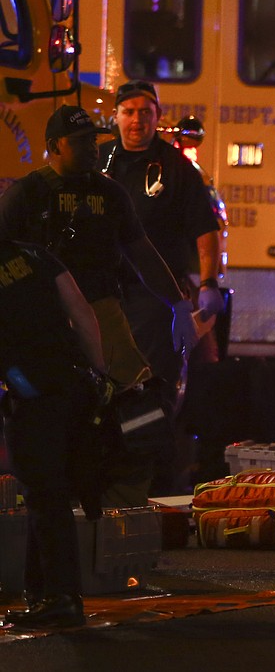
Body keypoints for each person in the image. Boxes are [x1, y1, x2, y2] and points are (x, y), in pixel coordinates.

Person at [0, 104, 198, 506]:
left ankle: (123, 510)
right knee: (52, 412)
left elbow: (140, 251)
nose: (93, 147)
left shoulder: (109, 194)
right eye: (81, 141)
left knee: (139, 409)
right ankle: (49, 507)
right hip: (44, 324)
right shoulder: (27, 194)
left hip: (104, 313)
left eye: (95, 139)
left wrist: (178, 305)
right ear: (54, 146)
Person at [100, 80, 224, 493]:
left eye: (146, 112)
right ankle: (105, 477)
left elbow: (205, 231)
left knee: (152, 389)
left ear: (157, 118)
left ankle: (154, 486)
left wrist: (208, 283)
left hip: (158, 301)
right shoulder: (99, 162)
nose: (137, 120)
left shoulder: (176, 169)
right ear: (115, 116)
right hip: (101, 296)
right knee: (102, 388)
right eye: (129, 111)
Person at [0, 240, 108, 630]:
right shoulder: (34, 255)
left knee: (44, 495)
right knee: (49, 492)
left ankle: (62, 598)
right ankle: (42, 593)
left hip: (30, 391)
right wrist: (101, 374)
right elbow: (81, 312)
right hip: (72, 382)